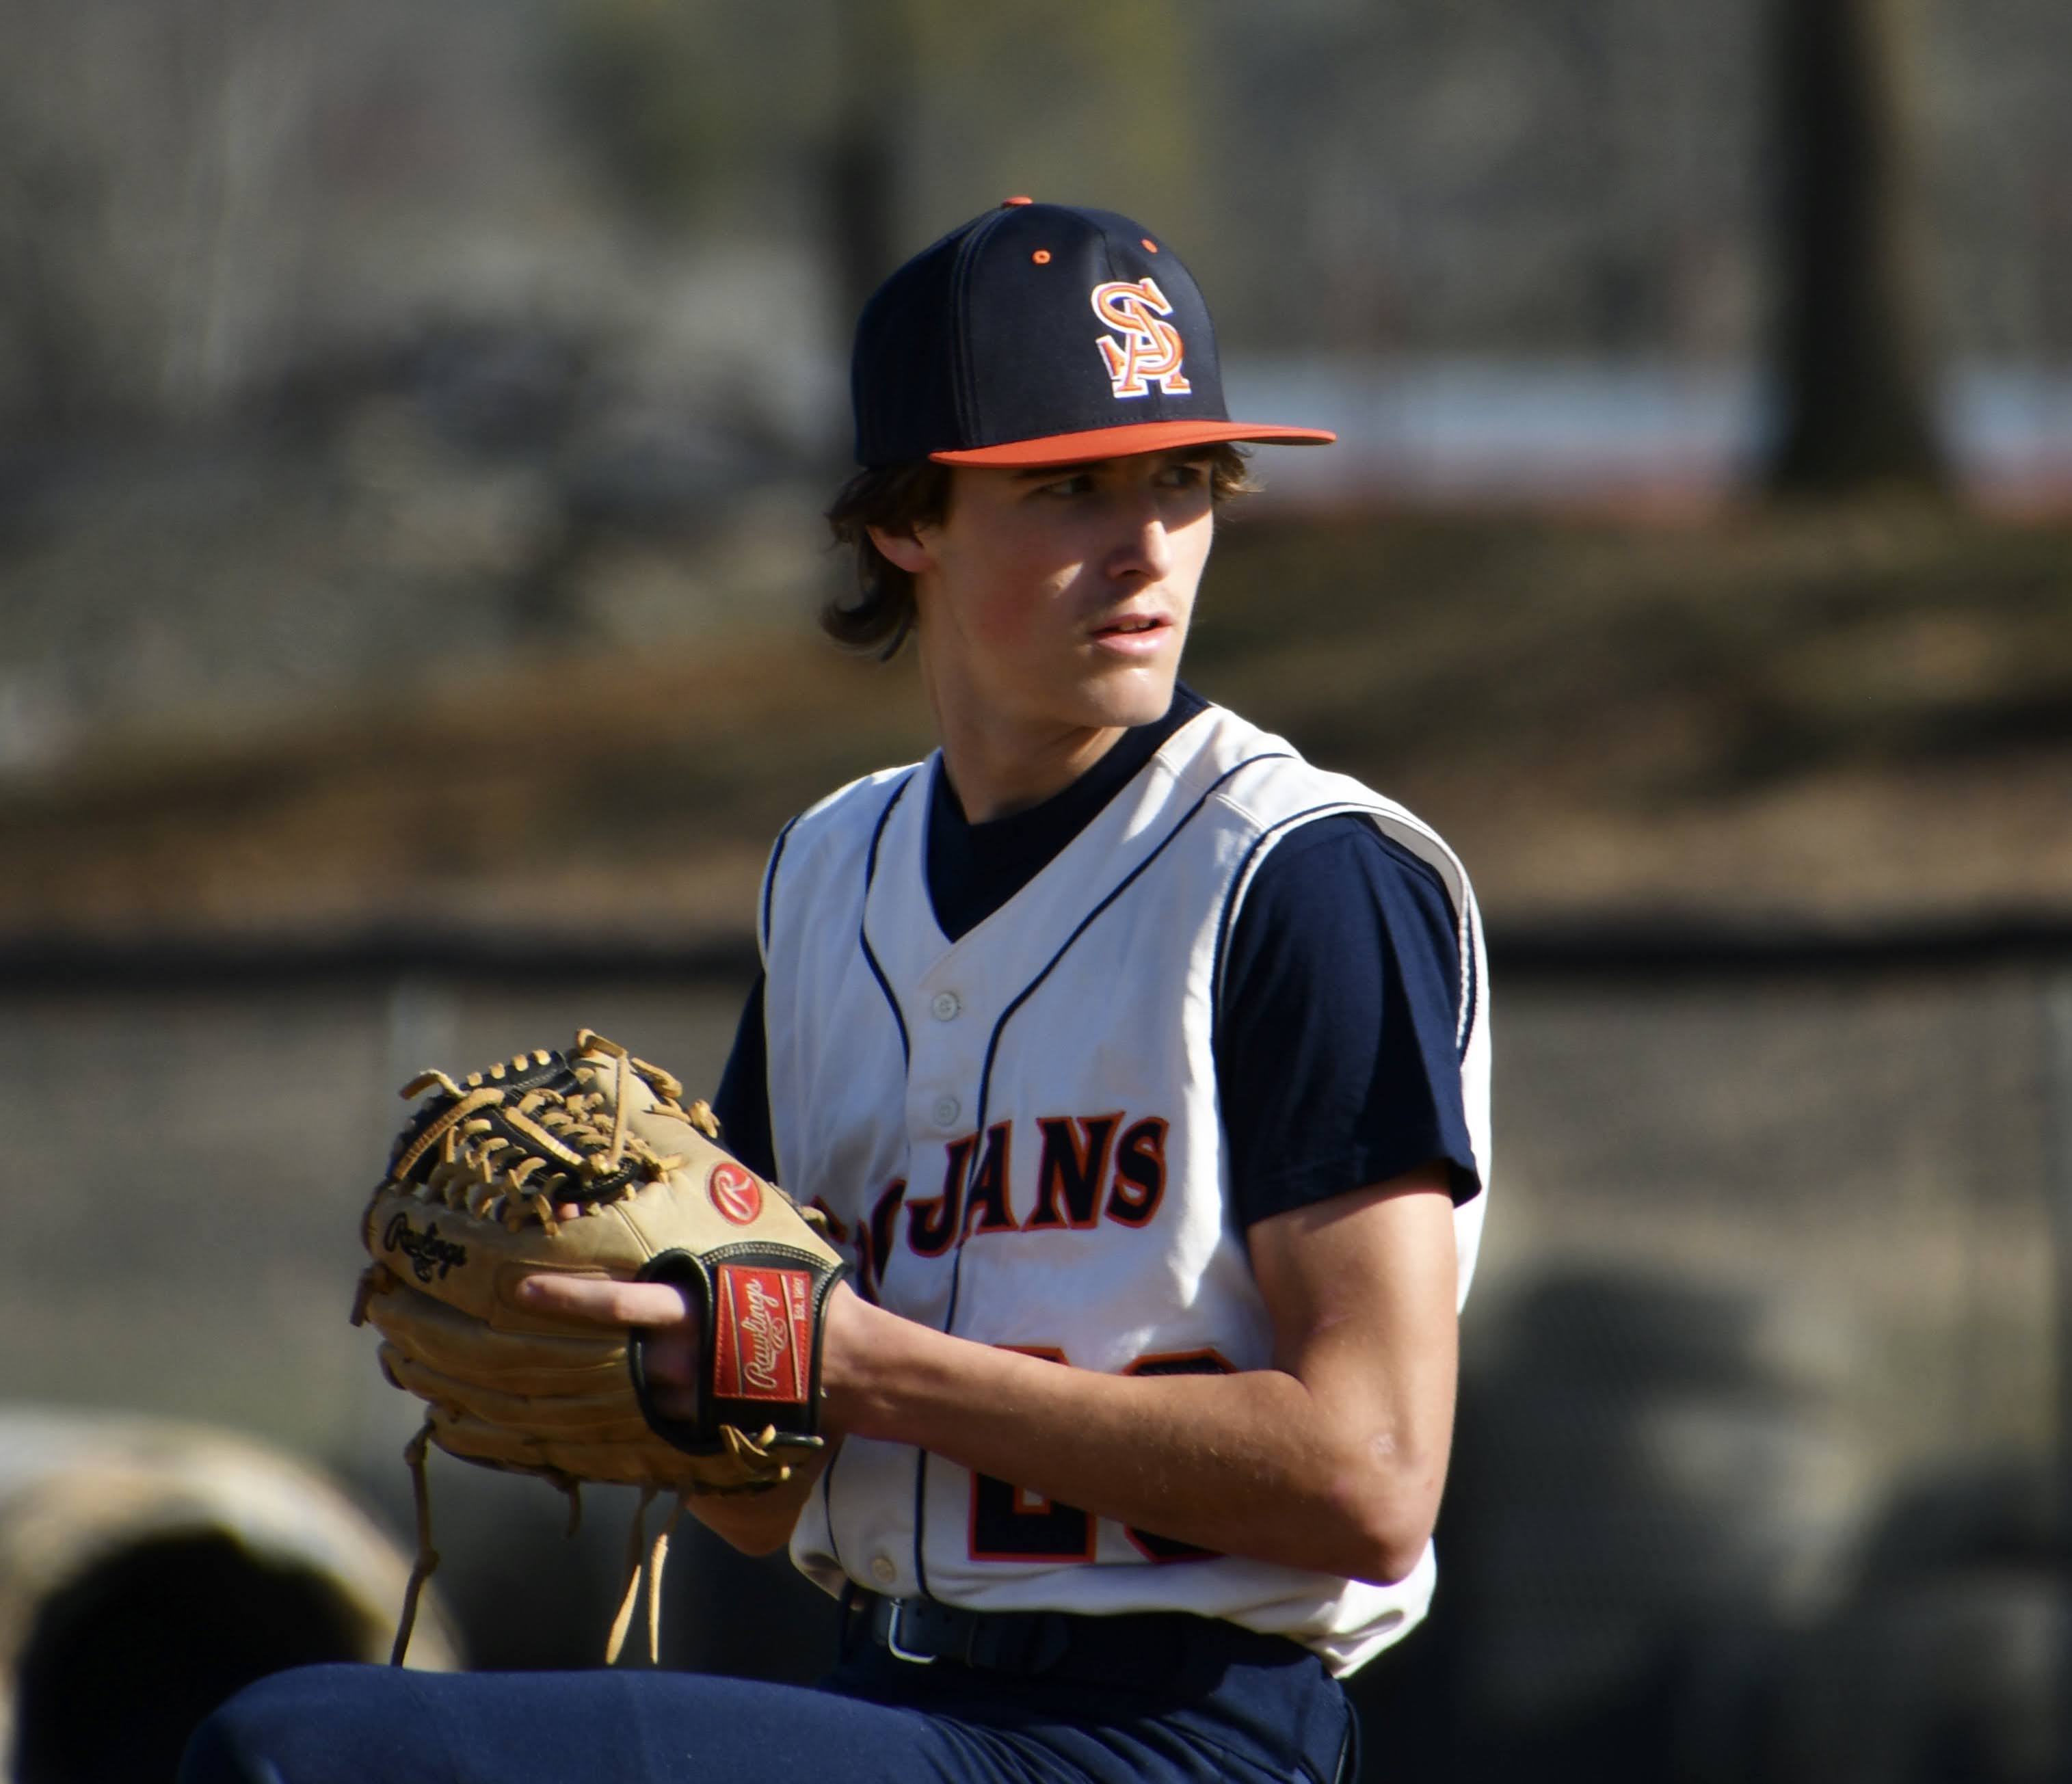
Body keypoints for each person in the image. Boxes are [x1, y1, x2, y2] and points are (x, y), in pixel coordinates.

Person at [184, 198, 1490, 1784]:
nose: (1147, 544)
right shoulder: (832, 873)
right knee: (302, 1734)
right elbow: (760, 1500)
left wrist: (858, 1362)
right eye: (1069, 486)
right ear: (906, 520)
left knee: (303, 1753)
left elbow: (1371, 1479)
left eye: (1182, 479)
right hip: (888, 1686)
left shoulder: (1298, 874)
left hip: (1173, 1737)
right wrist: (650, 1370)